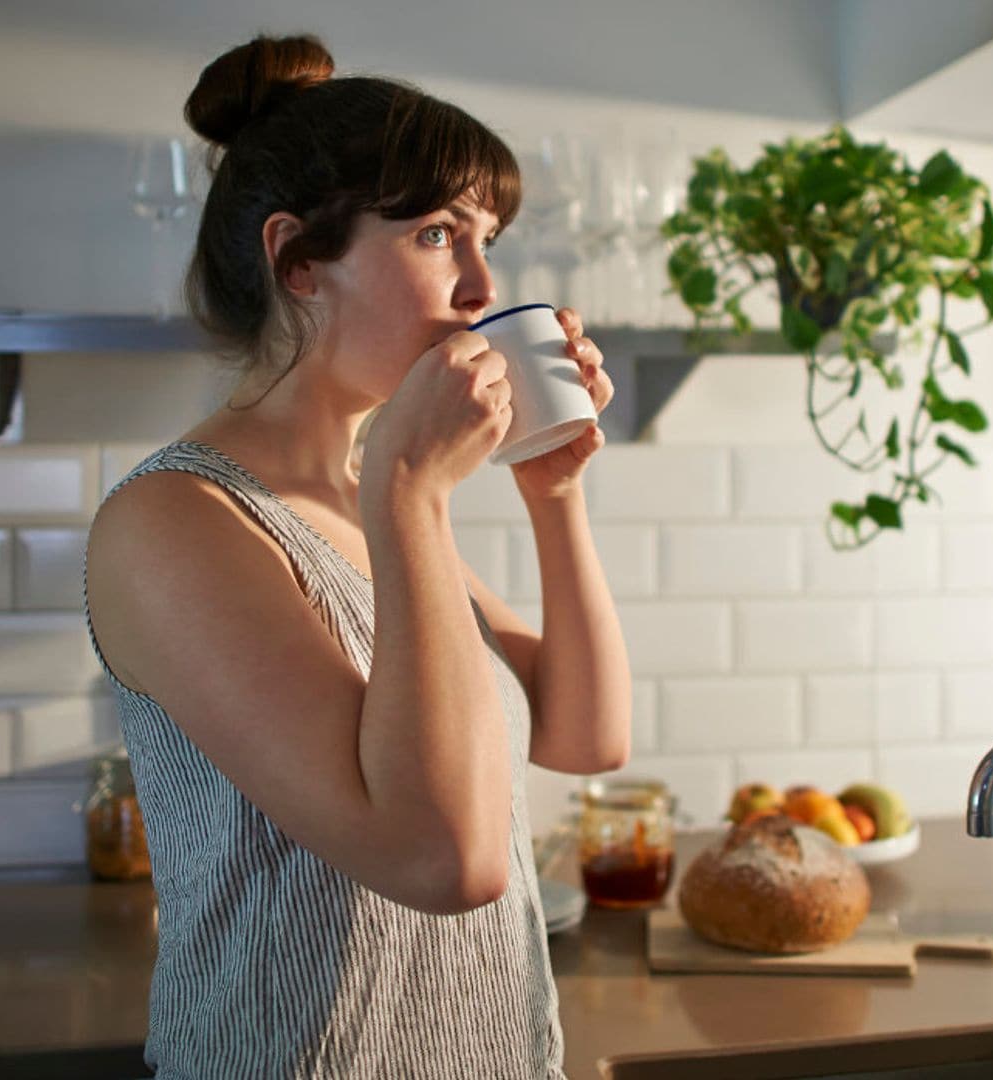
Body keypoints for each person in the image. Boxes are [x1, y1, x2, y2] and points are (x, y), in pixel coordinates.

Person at [83, 32, 631, 1079]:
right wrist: (411, 490)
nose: (481, 286)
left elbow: (584, 735)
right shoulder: (176, 522)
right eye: (435, 233)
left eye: (488, 238)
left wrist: (551, 490)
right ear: (298, 260)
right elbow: (446, 859)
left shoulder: (364, 503)